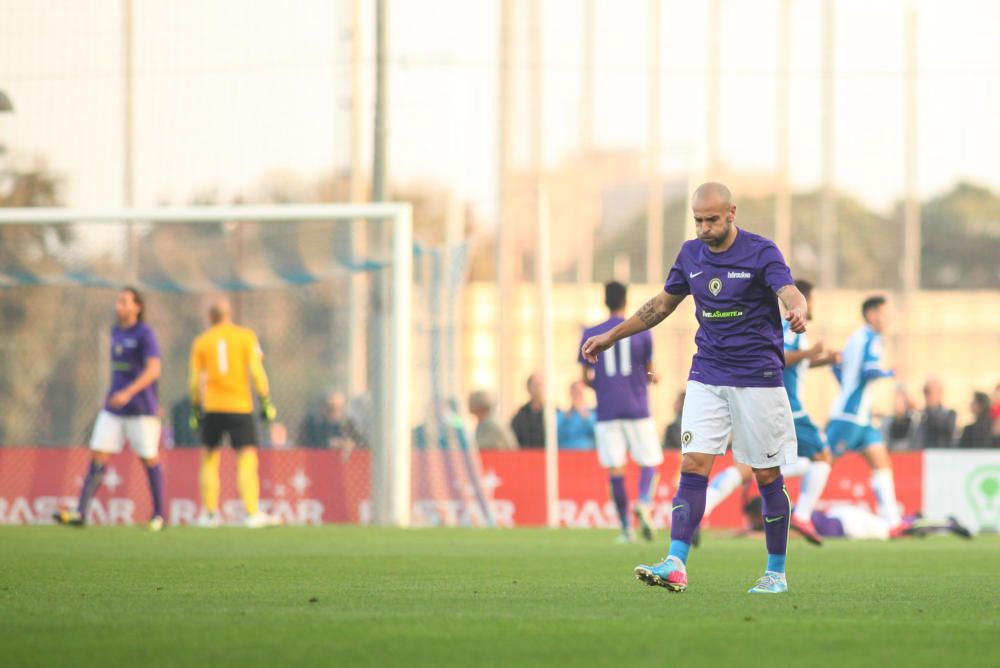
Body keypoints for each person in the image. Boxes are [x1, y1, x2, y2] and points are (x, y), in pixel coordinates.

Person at [583, 182, 808, 594]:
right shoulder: (690, 255)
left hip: (758, 379)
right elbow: (659, 307)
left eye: (712, 220)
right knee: (692, 465)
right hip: (707, 374)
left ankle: (776, 572)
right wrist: (613, 336)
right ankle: (675, 562)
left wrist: (797, 307)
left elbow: (787, 289)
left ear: (732, 212)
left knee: (765, 474)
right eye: (698, 221)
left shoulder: (761, 252)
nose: (704, 228)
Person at [700, 279, 838, 546]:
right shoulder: (790, 326)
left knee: (749, 467)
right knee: (823, 456)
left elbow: (794, 365)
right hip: (787, 405)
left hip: (762, 402)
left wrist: (823, 359)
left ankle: (701, 509)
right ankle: (803, 515)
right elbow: (780, 358)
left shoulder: (786, 328)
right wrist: (810, 352)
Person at [54, 287, 166, 530]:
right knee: (98, 454)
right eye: (118, 301)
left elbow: (154, 370)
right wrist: (117, 393)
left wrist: (128, 392)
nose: (119, 306)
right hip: (113, 408)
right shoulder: (115, 331)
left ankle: (159, 514)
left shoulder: (145, 334)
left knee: (149, 457)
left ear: (137, 307)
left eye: (124, 302)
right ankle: (81, 512)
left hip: (141, 409)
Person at [579, 281, 662, 543]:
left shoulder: (590, 333)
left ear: (605, 301)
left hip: (607, 410)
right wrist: (651, 377)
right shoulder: (642, 332)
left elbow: (585, 377)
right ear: (626, 301)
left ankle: (626, 529)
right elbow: (649, 369)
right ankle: (644, 502)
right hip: (637, 407)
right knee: (648, 461)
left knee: (616, 470)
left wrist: (602, 385)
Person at [189, 297, 280, 528]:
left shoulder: (202, 342)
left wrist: (196, 407)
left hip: (213, 406)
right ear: (229, 315)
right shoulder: (245, 337)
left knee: (209, 459)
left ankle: (210, 514)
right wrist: (265, 400)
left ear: (210, 317)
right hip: (240, 406)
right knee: (247, 458)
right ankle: (251, 513)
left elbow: (194, 380)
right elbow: (257, 371)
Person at [826, 296, 905, 535]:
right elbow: (869, 371)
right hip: (849, 416)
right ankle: (795, 508)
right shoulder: (873, 338)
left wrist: (848, 390)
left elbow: (836, 366)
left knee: (881, 462)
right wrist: (890, 373)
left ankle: (893, 522)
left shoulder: (855, 338)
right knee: (821, 461)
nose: (887, 319)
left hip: (861, 416)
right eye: (884, 313)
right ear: (871, 315)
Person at [741, 497, 972, 541]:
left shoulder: (782, 518)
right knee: (895, 528)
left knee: (895, 531)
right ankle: (915, 519)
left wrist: (753, 536)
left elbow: (793, 535)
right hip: (844, 520)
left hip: (850, 524)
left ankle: (948, 524)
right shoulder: (780, 514)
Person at [913, 377, 957, 448]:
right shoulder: (919, 415)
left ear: (940, 392)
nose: (927, 396)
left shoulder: (949, 415)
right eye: (925, 391)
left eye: (929, 391)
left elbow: (941, 427)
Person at [556, 381, 596, 451]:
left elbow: (597, 432)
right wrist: (565, 419)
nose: (577, 395)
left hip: (586, 453)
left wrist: (585, 416)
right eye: (574, 392)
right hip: (566, 453)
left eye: (579, 392)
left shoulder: (592, 414)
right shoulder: (562, 415)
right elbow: (555, 436)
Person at [511, 373, 546, 448]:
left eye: (541, 385)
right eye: (535, 386)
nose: (539, 389)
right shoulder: (520, 415)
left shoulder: (554, 413)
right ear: (528, 388)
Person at [884, 385, 917, 452]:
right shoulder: (887, 422)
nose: (899, 403)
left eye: (902, 400)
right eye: (897, 400)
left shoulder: (913, 422)